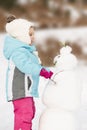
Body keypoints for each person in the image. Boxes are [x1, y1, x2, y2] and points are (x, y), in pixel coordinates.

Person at [3, 15, 53, 130]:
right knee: (25, 114)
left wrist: (46, 71)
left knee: (29, 112)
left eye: (33, 34)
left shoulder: (25, 51)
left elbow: (35, 65)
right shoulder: (18, 52)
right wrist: (41, 71)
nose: (33, 37)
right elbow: (26, 66)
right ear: (21, 37)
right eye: (30, 34)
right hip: (20, 90)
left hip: (25, 90)